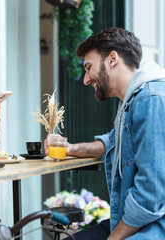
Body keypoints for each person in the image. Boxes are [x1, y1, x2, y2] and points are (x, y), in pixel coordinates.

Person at [45, 27, 165, 240]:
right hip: (137, 220)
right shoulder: (132, 101)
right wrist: (70, 148)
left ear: (112, 59)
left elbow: (150, 194)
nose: (86, 79)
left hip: (155, 226)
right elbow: (115, 141)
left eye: (89, 67)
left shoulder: (149, 100)